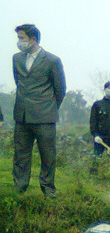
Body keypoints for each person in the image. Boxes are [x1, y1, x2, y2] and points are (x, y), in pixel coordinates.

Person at [11, 24, 66, 197]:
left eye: (22, 38)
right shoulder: (16, 58)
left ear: (33, 39)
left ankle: (48, 188)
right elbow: (19, 82)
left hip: (45, 116)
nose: (19, 42)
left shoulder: (52, 60)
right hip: (22, 115)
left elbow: (60, 89)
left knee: (47, 155)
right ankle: (20, 187)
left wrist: (49, 107)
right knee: (21, 154)